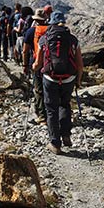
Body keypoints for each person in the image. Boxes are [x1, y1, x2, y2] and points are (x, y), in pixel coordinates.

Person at [32, 11, 84, 155]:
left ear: (51, 22)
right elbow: (80, 64)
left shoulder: (45, 38)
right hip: (68, 78)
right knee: (65, 104)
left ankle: (55, 143)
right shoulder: (73, 39)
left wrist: (34, 68)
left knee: (51, 109)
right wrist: (78, 81)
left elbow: (38, 63)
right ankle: (66, 134)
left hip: (50, 78)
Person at [22, 9, 49, 125]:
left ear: (35, 19)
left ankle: (42, 116)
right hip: (51, 64)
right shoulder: (51, 30)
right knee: (49, 88)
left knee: (38, 89)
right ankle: (52, 113)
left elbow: (25, 50)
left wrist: (25, 65)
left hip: (37, 62)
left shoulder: (31, 31)